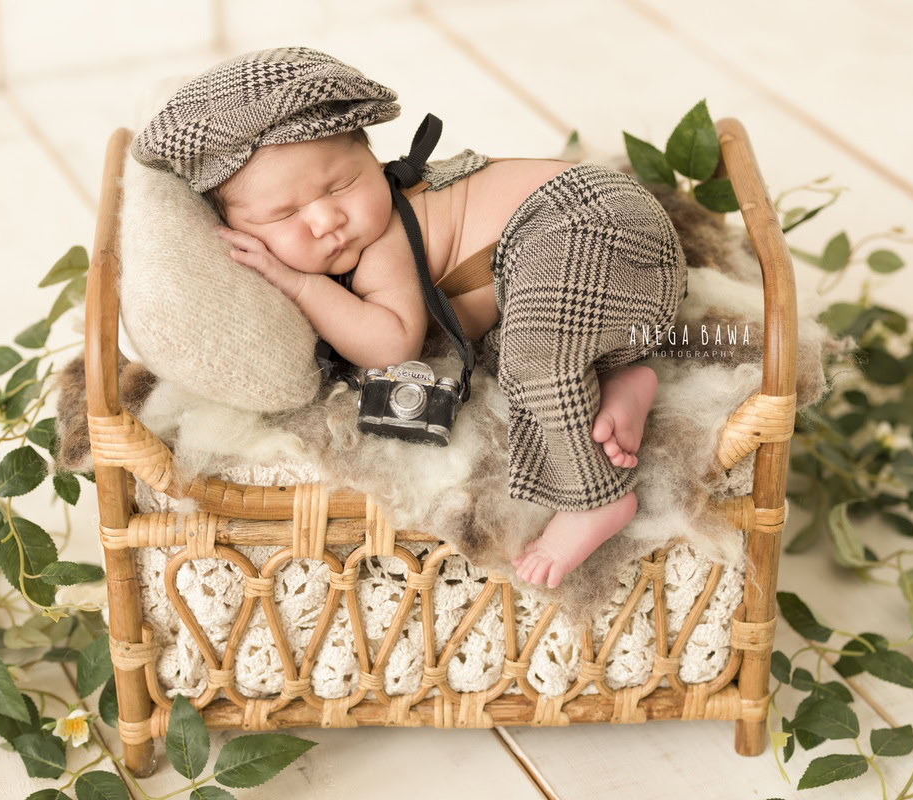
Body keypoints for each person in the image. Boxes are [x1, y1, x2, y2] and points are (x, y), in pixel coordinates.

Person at [132, 47, 686, 590]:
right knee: (540, 339)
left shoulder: (384, 239)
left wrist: (299, 283)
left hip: (590, 224)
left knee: (534, 357)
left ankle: (597, 496)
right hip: (628, 283)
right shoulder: (351, 232)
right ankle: (620, 373)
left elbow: (389, 344)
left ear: (376, 163)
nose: (328, 219)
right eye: (287, 213)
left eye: (341, 185)